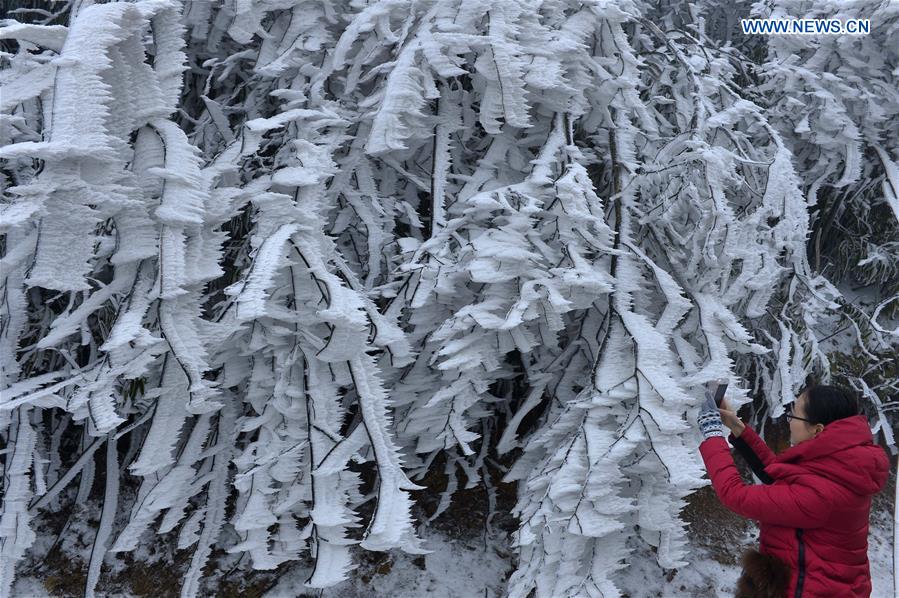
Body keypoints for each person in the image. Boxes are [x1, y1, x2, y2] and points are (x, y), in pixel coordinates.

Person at [696, 382, 891, 597]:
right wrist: (736, 426)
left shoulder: (820, 494)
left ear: (817, 429)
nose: (789, 421)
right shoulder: (842, 466)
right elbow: (779, 477)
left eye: (794, 415)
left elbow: (735, 495)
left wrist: (713, 436)